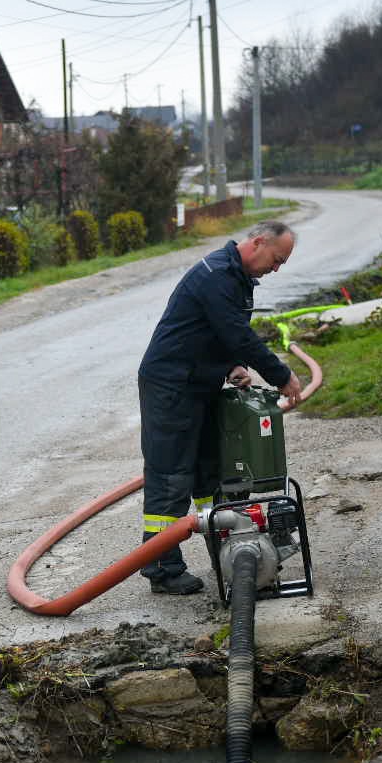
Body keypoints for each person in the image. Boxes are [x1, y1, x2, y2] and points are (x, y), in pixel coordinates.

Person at [136, 219, 304, 595]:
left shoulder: (236, 278)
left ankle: (230, 548)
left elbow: (213, 334)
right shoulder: (216, 275)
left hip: (198, 383)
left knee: (209, 473)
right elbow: (236, 333)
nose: (276, 269)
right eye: (276, 260)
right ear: (258, 242)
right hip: (171, 386)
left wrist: (231, 366)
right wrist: (280, 375)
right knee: (171, 476)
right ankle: (161, 568)